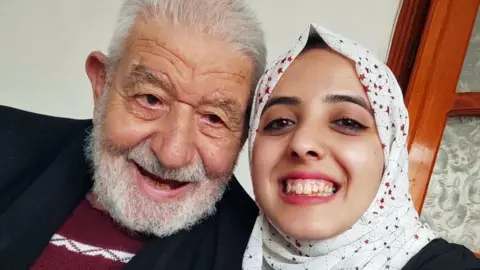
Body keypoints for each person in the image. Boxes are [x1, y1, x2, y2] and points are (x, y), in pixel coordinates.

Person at [0, 0, 266, 269]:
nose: (172, 155)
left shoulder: (254, 258)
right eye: (151, 99)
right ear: (101, 84)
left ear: (244, 132)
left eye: (213, 118)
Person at [242, 24, 480, 270]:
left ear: (390, 152)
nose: (302, 143)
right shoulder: (216, 242)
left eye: (347, 122)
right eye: (280, 122)